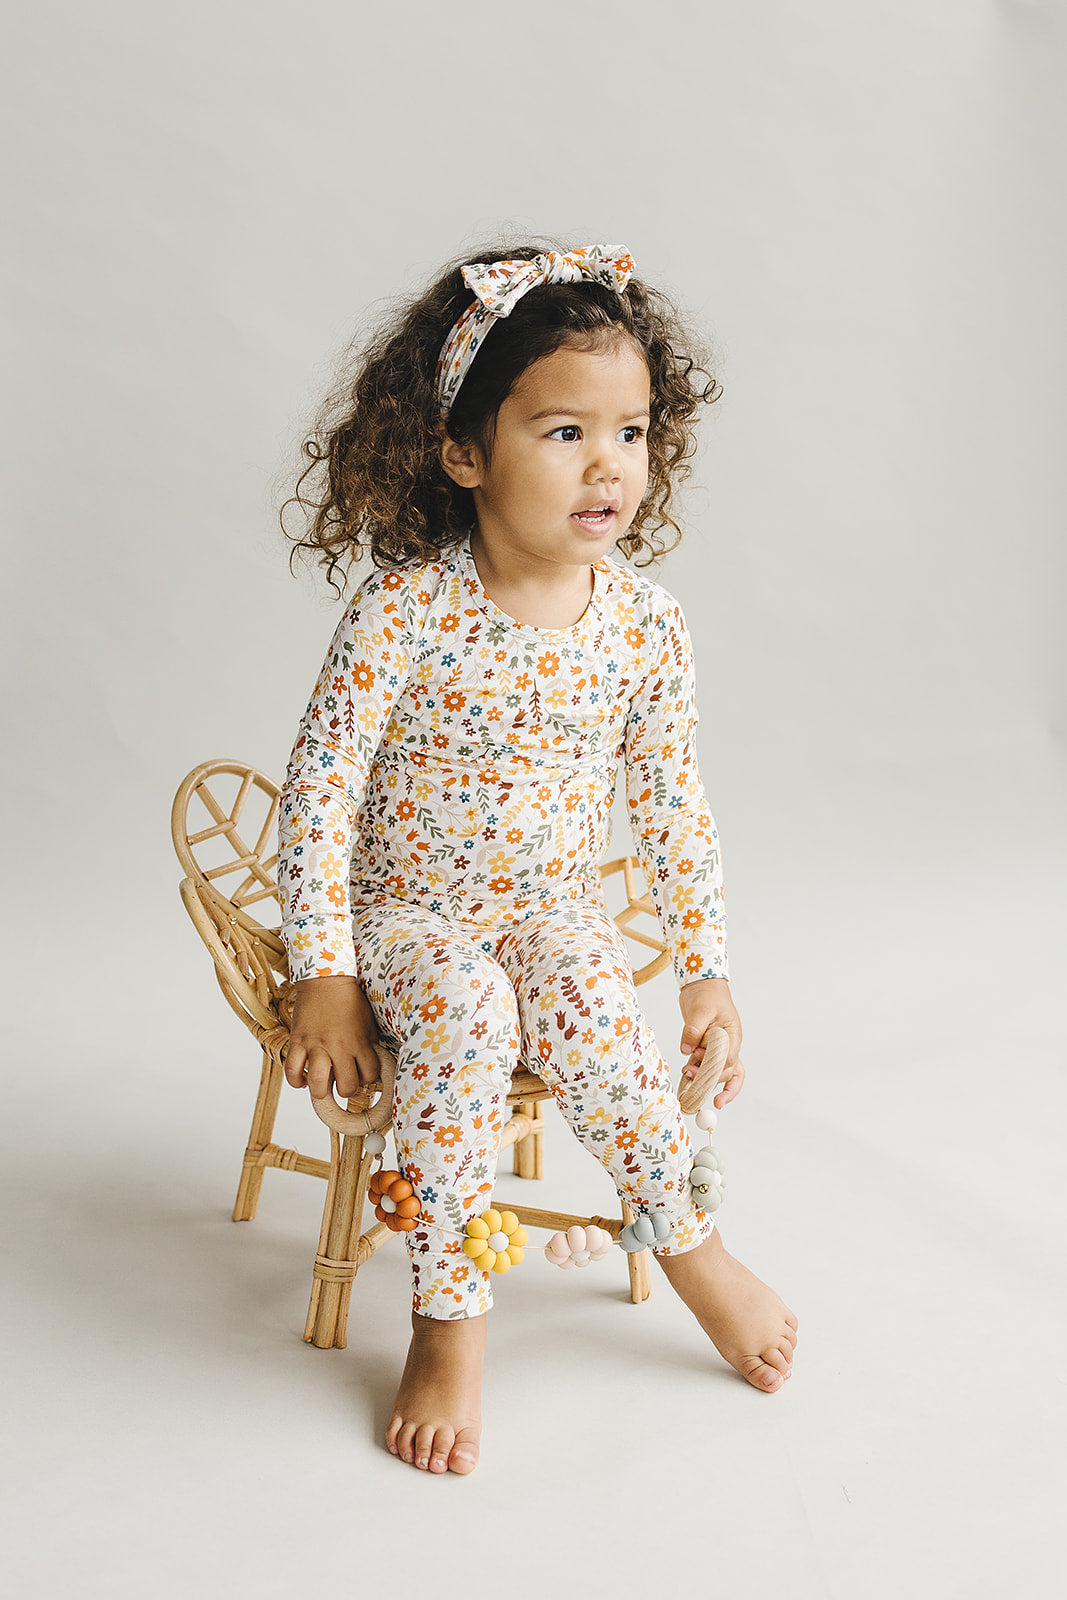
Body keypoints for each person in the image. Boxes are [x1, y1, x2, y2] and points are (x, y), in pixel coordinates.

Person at [276, 240, 798, 1476]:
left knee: (594, 1011)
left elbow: (671, 804)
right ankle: (447, 1312)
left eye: (631, 431)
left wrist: (704, 970)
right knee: (464, 1013)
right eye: (564, 431)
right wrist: (326, 970)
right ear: (463, 452)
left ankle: (689, 1243)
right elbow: (319, 792)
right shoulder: (405, 612)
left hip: (550, 908)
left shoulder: (643, 624)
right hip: (411, 914)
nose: (607, 463)